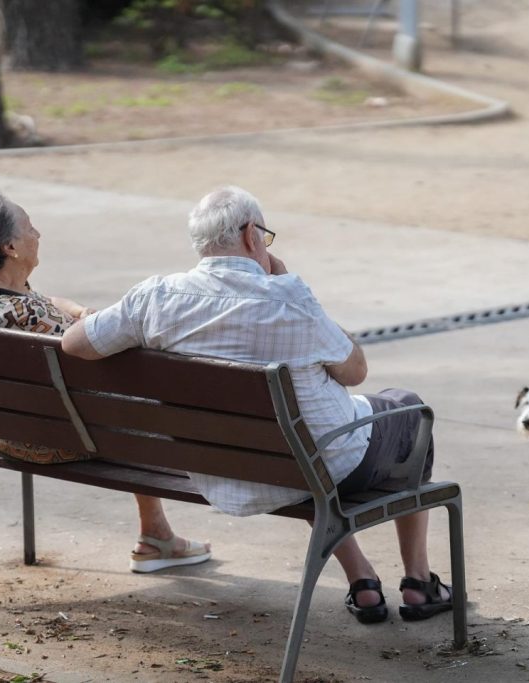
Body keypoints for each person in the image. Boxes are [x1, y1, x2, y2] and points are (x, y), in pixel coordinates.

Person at [61, 185, 452, 623]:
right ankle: (419, 583)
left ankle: (362, 580)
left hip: (224, 469)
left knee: (300, 436)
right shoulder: (289, 300)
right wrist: (293, 289)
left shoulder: (155, 297)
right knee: (408, 411)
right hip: (316, 465)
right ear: (252, 235)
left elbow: (74, 344)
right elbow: (355, 370)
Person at [0, 186, 211, 574]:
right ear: (10, 248)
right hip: (51, 439)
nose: (38, 233)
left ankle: (156, 532)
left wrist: (78, 310)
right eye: (29, 227)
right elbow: (99, 350)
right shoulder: (30, 317)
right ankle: (156, 536)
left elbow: (43, 303)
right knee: (136, 402)